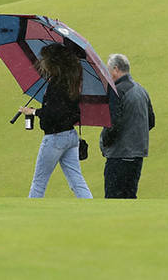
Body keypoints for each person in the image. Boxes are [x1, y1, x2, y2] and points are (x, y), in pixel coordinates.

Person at [18, 42, 93, 198]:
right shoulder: (70, 81)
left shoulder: (57, 85)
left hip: (55, 138)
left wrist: (33, 112)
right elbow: (63, 111)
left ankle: (29, 215)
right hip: (70, 136)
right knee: (76, 181)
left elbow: (53, 113)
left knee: (39, 182)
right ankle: (90, 208)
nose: (42, 63)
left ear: (54, 62)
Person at [99, 53, 155, 199]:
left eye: (108, 69)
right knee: (130, 198)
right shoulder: (142, 90)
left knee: (113, 199)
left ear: (116, 69)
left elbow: (112, 124)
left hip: (119, 155)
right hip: (137, 155)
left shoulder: (117, 91)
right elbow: (151, 121)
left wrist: (104, 141)